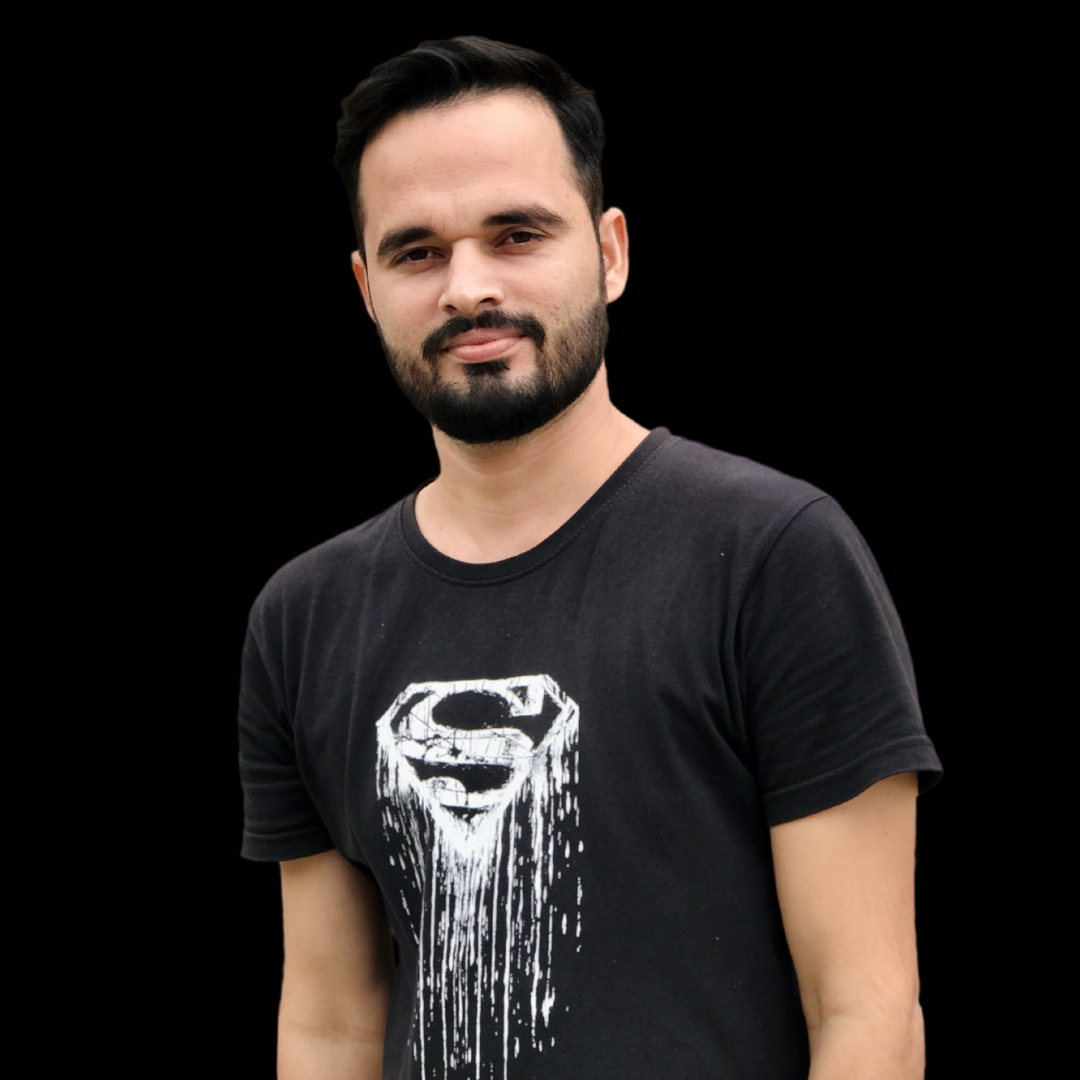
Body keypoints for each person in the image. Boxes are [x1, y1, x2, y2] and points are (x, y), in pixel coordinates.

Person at [238, 36, 942, 1080]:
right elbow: (331, 1024)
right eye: (417, 251)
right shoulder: (303, 618)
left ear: (612, 253)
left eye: (517, 234)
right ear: (365, 287)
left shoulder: (774, 556)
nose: (467, 287)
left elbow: (866, 1014)